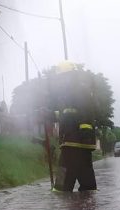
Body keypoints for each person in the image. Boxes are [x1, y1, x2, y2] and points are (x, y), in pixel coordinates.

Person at [48, 61, 98, 192]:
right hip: (81, 144)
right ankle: (88, 204)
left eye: (61, 77)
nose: (59, 81)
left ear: (70, 76)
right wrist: (49, 114)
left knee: (61, 187)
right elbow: (67, 114)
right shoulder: (69, 93)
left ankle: (60, 204)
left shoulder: (77, 91)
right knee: (88, 186)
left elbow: (86, 111)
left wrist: (85, 129)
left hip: (73, 142)